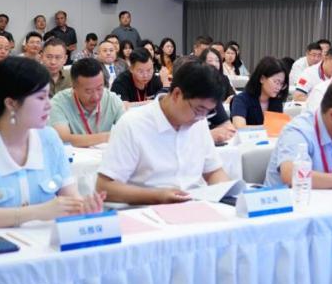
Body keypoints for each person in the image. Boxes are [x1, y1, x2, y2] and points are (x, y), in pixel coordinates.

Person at [0, 56, 104, 228]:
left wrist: (84, 207)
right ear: (11, 103)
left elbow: (71, 198)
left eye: (48, 97)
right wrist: (36, 213)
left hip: (45, 240)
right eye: (41, 98)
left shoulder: (50, 138)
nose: (49, 105)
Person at [96, 61, 232, 204]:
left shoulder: (198, 122)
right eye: (199, 110)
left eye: (208, 112)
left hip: (194, 205)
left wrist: (227, 193)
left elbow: (214, 172)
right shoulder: (133, 124)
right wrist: (156, 196)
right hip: (145, 209)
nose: (202, 118)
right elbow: (104, 187)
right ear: (177, 94)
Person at [49, 57, 124, 148]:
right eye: (89, 91)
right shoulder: (59, 102)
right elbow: (62, 138)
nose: (96, 96)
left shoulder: (112, 99)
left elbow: (128, 131)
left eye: (99, 88)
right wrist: (107, 136)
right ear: (74, 87)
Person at [231, 57, 286, 127]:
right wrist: (268, 128)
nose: (279, 87)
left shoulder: (276, 101)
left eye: (281, 84)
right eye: (276, 82)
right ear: (262, 79)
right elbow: (239, 127)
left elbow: (277, 127)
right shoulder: (241, 99)